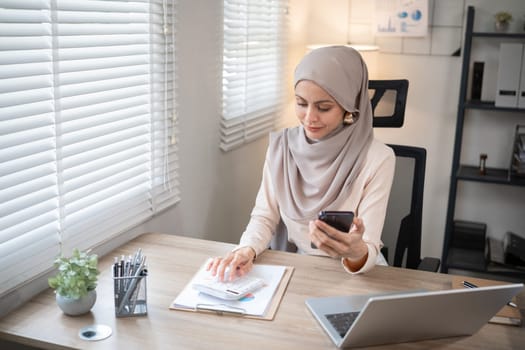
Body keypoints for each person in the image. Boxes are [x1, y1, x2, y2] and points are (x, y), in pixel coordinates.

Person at [208, 45, 395, 281]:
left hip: (357, 275)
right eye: (301, 103)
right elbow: (265, 217)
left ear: (348, 105)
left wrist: (355, 251)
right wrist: (247, 249)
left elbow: (368, 247)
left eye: (324, 107)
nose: (309, 118)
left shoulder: (379, 158)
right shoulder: (281, 148)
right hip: (301, 270)